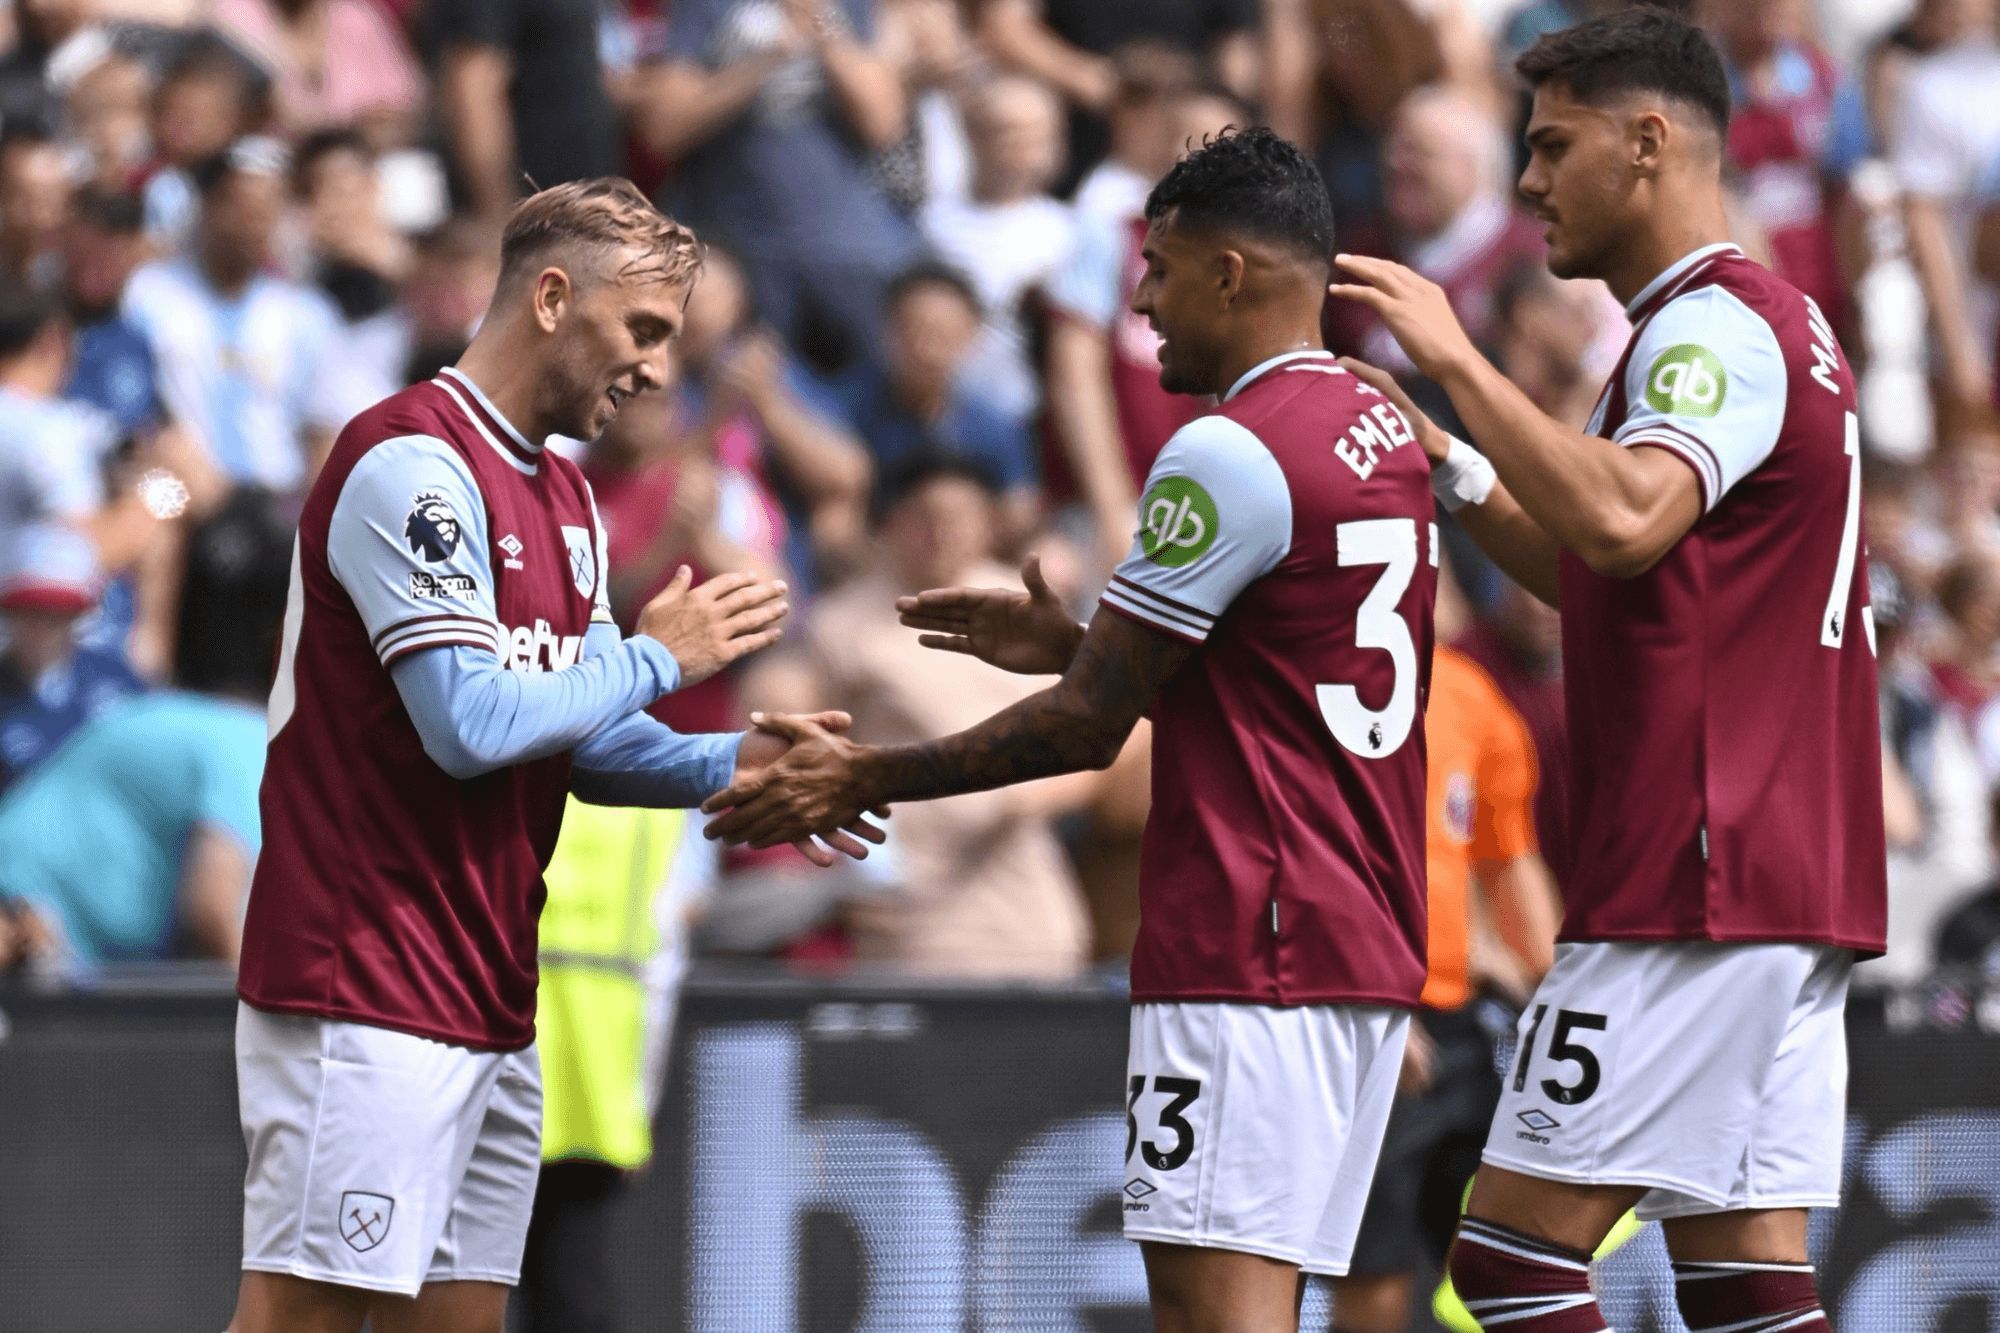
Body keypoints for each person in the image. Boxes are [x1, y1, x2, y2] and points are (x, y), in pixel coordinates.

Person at [703, 127, 1442, 1333]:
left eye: (1159, 268)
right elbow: (1283, 663)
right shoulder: (1372, 426)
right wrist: (1088, 642)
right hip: (1350, 931)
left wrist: (865, 775)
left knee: (1215, 1316)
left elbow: (1089, 729)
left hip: (1249, 944)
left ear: (1229, 275)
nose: (1138, 303)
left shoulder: (1228, 449)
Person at [225, 178, 880, 1333]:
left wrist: (736, 763)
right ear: (551, 297)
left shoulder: (565, 494)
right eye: (646, 331)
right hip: (362, 980)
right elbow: (471, 725)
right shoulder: (410, 465)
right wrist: (658, 655)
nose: (659, 372)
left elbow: (582, 737)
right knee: (302, 1318)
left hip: (487, 990)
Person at [1330, 11, 1884, 1330]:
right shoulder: (1767, 325)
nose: (1529, 182)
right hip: (1778, 867)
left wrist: (1456, 360)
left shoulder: (1710, 332)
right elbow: (1604, 567)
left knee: (1510, 1263)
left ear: (1646, 142)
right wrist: (1450, 463)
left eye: (1551, 146)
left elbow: (1626, 518)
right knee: (1747, 1281)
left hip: (1695, 868)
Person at [1331, 626, 1561, 1333]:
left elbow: (1508, 852)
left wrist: (1556, 992)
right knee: (1375, 1275)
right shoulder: (1324, 679)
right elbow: (1317, 851)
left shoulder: (1467, 691)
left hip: (1462, 1022)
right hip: (1369, 1018)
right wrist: (1368, 996)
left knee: (1526, 1255)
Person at [122, 137, 355, 494]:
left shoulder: (306, 314)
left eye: (267, 211)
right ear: (207, 206)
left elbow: (325, 428)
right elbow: (133, 410)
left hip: (278, 497)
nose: (254, 224)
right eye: (241, 207)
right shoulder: (149, 294)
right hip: (179, 494)